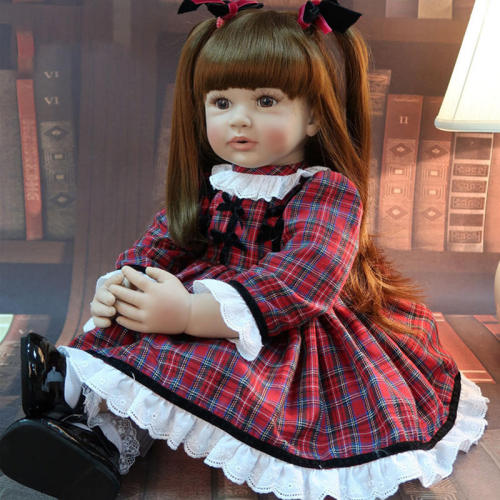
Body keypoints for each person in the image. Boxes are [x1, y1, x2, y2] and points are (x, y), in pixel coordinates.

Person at [0, 1, 489, 499]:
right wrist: (125, 286)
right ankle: (90, 434)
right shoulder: (212, 187)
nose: (240, 120)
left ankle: (88, 413)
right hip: (196, 308)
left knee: (208, 369)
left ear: (313, 116)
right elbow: (162, 242)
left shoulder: (324, 191)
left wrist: (191, 313)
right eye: (222, 103)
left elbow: (306, 276)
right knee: (135, 343)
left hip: (283, 327)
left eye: (266, 101)